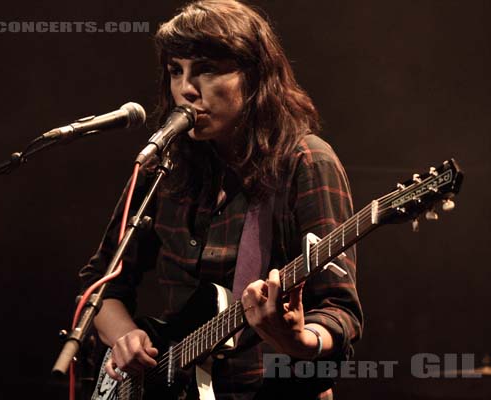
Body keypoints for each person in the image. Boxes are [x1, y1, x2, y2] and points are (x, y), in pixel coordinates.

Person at [80, 0, 363, 398]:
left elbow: (340, 312)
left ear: (255, 76)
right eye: (175, 71)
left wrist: (298, 339)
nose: (186, 89)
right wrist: (126, 337)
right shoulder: (166, 166)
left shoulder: (307, 162)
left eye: (206, 70)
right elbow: (100, 284)